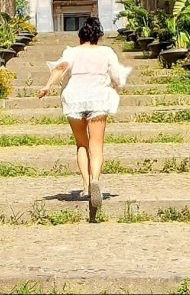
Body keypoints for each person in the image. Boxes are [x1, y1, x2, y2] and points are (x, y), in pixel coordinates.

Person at [37, 17, 131, 219]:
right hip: (98, 99)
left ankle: (87, 186)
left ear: (81, 36)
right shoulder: (106, 52)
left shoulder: (72, 52)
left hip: (75, 100)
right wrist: (116, 85)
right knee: (97, 145)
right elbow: (116, 76)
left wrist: (47, 86)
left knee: (82, 144)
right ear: (99, 35)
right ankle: (95, 179)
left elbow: (61, 68)